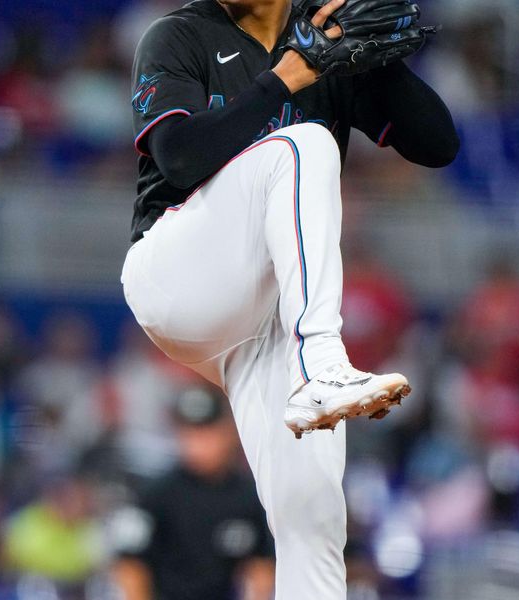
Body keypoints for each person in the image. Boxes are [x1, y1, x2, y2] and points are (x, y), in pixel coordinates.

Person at [120, 0, 459, 596]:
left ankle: (316, 373)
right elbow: (178, 157)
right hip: (176, 274)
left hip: (264, 321)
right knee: (303, 144)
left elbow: (438, 145)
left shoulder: (324, 38)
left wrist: (374, 63)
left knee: (314, 513)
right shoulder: (179, 35)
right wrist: (287, 77)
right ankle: (322, 364)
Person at [110, 385, 275, 600]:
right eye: (190, 432)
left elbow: (261, 567)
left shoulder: (251, 495)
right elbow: (130, 565)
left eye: (207, 431)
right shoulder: (154, 495)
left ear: (228, 432)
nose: (198, 443)